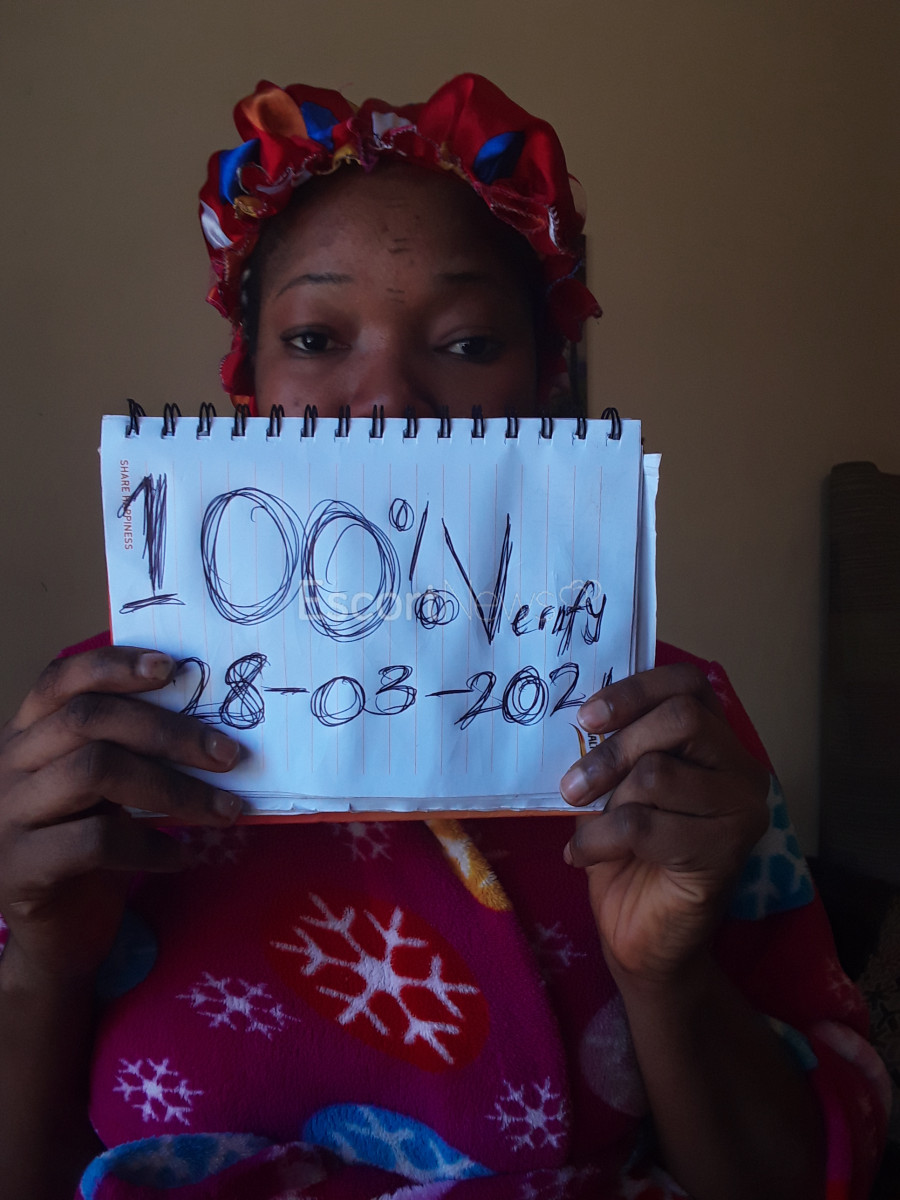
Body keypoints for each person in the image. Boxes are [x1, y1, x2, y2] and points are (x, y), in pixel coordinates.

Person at [0, 75, 888, 1200]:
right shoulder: (111, 735)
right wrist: (42, 958)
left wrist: (665, 975)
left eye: (467, 344)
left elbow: (810, 1171)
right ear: (247, 386)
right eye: (315, 336)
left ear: (546, 387)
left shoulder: (667, 735)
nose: (386, 402)